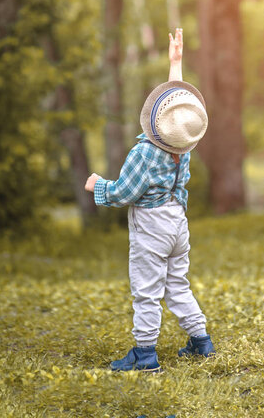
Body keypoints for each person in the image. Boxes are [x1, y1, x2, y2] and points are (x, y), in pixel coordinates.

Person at [84, 27, 215, 372]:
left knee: (146, 290)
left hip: (152, 226)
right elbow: (179, 115)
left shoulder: (144, 152)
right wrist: (176, 63)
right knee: (176, 283)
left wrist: (97, 185)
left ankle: (144, 356)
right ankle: (201, 341)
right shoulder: (183, 146)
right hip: (177, 222)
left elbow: (125, 192)